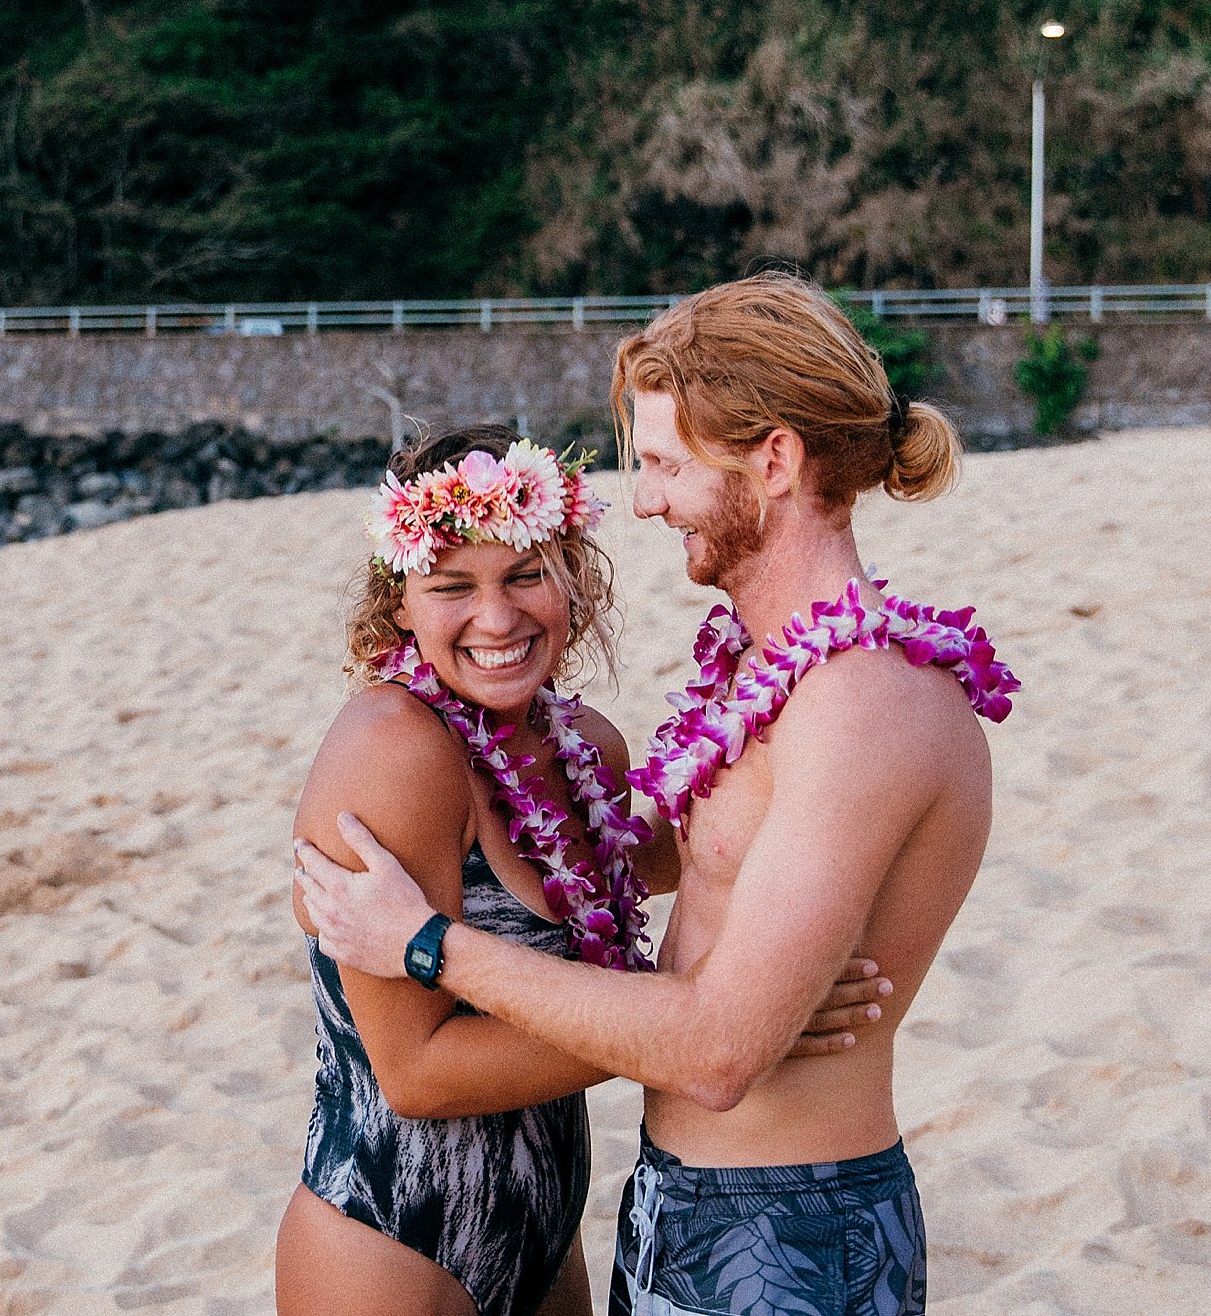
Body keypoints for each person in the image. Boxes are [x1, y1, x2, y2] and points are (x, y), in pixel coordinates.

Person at [295, 275, 1019, 1316]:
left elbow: (720, 1050)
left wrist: (426, 942)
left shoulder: (862, 703)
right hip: (674, 1204)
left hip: (782, 1226)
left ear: (771, 460)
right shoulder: (762, 674)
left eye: (666, 463)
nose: (642, 498)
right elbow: (634, 877)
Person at [280, 421, 890, 1316]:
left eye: (526, 574)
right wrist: (705, 1026)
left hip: (546, 1232)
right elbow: (418, 1073)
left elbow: (640, 856)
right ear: (401, 603)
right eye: (451, 586)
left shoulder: (583, 748)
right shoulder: (395, 748)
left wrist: (749, 991)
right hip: (392, 1241)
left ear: (571, 574)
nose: (497, 618)